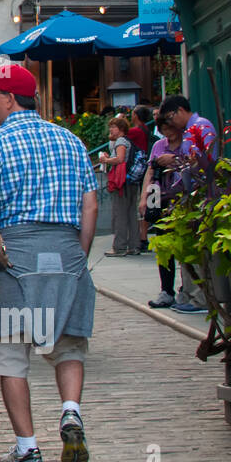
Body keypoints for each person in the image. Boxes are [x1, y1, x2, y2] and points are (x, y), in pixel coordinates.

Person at [0, 63, 98, 462]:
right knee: (69, 346)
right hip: (66, 252)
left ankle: (28, 449)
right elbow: (90, 204)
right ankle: (71, 410)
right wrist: (77, 256)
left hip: (15, 256)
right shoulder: (71, 141)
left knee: (10, 357)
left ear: (10, 98)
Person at [154, 96, 215, 312]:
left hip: (199, 193)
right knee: (187, 247)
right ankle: (190, 295)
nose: (171, 123)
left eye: (171, 117)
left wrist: (178, 165)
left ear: (180, 111)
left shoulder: (201, 126)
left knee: (197, 250)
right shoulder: (190, 130)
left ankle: (200, 299)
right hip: (186, 195)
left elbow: (202, 161)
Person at [144, 115, 185, 309]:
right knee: (163, 245)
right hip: (160, 197)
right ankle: (166, 290)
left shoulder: (187, 143)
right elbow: (151, 173)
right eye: (163, 130)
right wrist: (144, 198)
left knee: (184, 245)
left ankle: (188, 289)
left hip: (183, 198)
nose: (167, 134)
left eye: (169, 129)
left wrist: (174, 160)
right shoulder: (159, 146)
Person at [98, 116, 140, 257]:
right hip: (131, 182)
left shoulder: (121, 141)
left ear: (121, 129)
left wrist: (106, 160)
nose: (111, 129)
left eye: (114, 127)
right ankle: (134, 245)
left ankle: (119, 246)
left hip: (121, 183)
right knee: (131, 214)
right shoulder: (127, 141)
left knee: (120, 214)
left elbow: (120, 159)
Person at [129, 106, 154, 251]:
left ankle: (142, 237)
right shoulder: (146, 129)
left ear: (136, 116)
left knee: (141, 204)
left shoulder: (136, 131)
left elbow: (118, 135)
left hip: (139, 172)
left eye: (132, 113)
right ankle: (143, 237)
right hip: (145, 168)